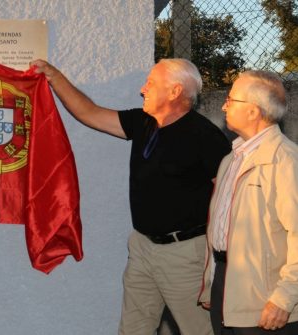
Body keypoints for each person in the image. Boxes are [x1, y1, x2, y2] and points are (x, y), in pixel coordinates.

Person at [30, 58, 231, 335]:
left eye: (151, 83)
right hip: (141, 247)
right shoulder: (143, 122)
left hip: (185, 254)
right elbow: (88, 113)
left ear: (174, 91)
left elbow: (230, 198)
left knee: (199, 331)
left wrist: (222, 256)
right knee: (133, 329)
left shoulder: (205, 137)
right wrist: (54, 76)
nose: (142, 89)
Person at [198, 70, 298, 334]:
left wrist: (284, 299)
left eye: (231, 100)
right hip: (226, 282)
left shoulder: (286, 161)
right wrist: (212, 283)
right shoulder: (230, 160)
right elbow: (219, 227)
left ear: (253, 111)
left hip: (266, 299)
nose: (223, 105)